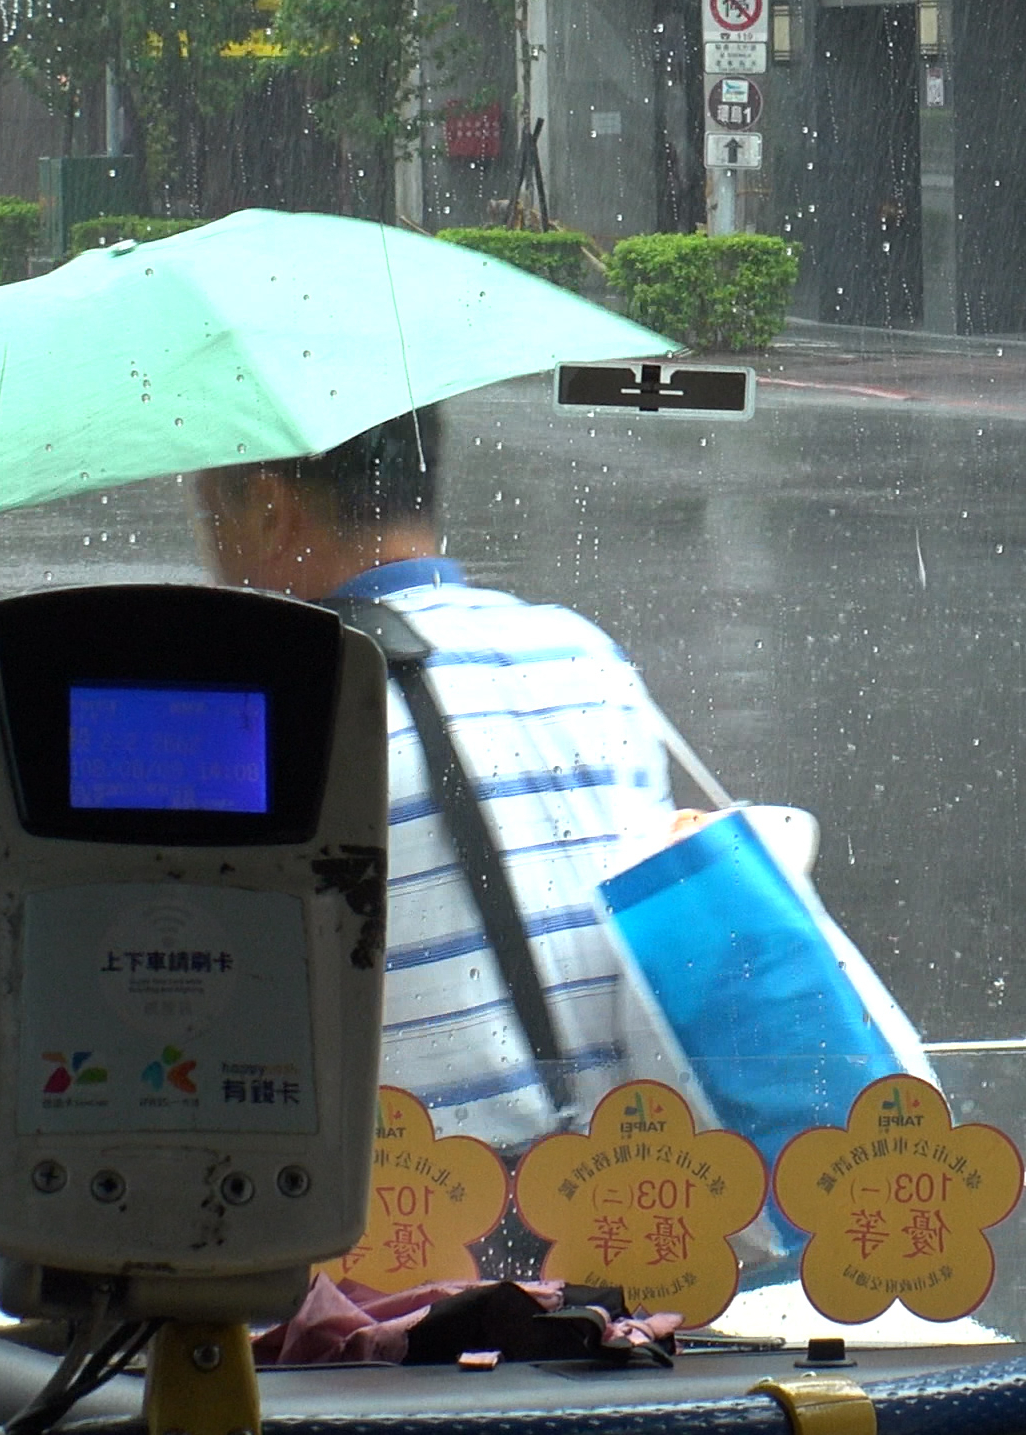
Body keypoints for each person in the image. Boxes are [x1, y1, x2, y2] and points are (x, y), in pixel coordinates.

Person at [187, 407, 679, 1157]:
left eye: (207, 514)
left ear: (266, 508)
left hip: (398, 1240)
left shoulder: (267, 712)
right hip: (603, 1214)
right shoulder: (582, 656)